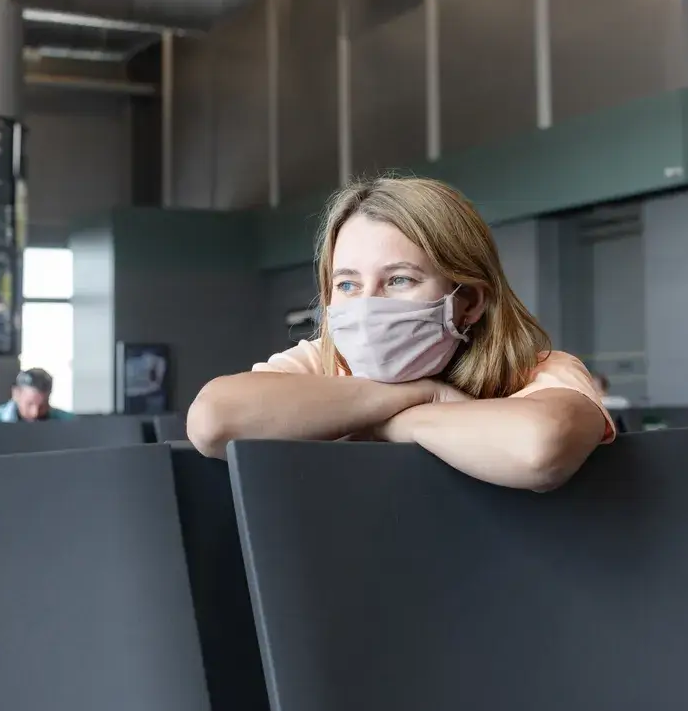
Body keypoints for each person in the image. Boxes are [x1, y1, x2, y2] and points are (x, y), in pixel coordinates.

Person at [187, 176, 615, 491]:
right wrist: (416, 396)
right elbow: (213, 421)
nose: (368, 304)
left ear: (468, 301)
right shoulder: (323, 361)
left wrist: (388, 421)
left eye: (399, 280)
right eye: (348, 285)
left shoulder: (537, 372)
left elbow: (539, 449)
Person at [0, 368, 75, 422]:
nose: (35, 413)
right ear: (16, 394)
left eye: (42, 406)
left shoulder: (68, 422)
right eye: (29, 404)